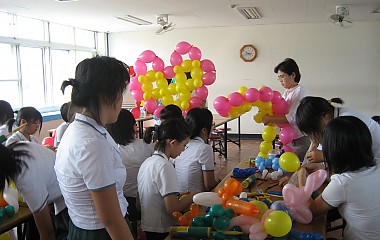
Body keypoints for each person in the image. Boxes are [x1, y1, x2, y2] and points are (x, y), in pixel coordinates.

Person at [54, 56, 135, 240]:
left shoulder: (79, 129)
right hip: (101, 234)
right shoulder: (92, 144)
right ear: (107, 97)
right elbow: (111, 220)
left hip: (85, 227)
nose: (122, 101)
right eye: (121, 93)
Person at [308, 116, 380, 239]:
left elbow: (311, 210)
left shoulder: (342, 183)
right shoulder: (377, 163)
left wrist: (302, 178)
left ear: (334, 151)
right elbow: (354, 185)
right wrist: (324, 172)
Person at [137, 118, 198, 240]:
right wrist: (193, 195)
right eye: (184, 145)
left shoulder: (147, 162)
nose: (183, 151)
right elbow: (173, 208)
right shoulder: (165, 166)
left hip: (149, 226)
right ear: (173, 143)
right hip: (162, 229)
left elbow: (140, 203)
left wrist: (177, 194)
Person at [0, 142, 69, 240]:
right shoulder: (17, 147)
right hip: (64, 194)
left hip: (68, 204)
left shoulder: (25, 179)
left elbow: (48, 233)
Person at [262, 58, 309, 186]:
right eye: (279, 78)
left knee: (298, 171)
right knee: (288, 167)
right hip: (289, 138)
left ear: (293, 75)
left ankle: (297, 198)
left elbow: (291, 117)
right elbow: (280, 112)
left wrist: (270, 119)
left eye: (282, 76)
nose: (280, 80)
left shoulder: (299, 92)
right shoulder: (287, 91)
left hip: (300, 138)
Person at [106, 109, 154, 236]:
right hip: (145, 200)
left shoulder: (109, 150)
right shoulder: (146, 145)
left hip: (120, 203)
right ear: (132, 127)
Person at [296, 96, 380, 165]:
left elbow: (354, 156)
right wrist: (314, 144)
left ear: (324, 116)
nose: (315, 134)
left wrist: (325, 157)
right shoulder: (332, 120)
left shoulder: (345, 122)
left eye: (314, 129)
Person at [175, 108, 220, 192]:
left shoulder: (181, 145)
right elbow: (209, 185)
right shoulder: (204, 148)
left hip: (180, 196)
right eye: (212, 124)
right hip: (195, 200)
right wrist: (220, 181)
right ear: (204, 130)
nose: (213, 127)